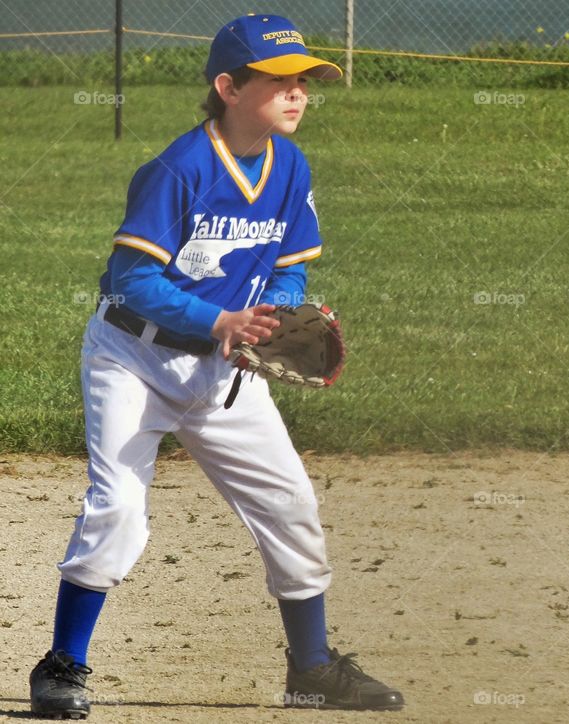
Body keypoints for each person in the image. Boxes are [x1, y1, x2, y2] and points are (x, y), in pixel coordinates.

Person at [28, 14, 404, 718]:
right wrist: (219, 319)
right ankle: (61, 666)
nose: (297, 95)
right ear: (228, 87)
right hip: (132, 358)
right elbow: (128, 282)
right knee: (118, 511)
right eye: (279, 82)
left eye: (303, 83)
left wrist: (272, 317)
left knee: (290, 505)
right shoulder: (182, 168)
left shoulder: (290, 166)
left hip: (226, 369)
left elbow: (288, 268)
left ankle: (311, 671)